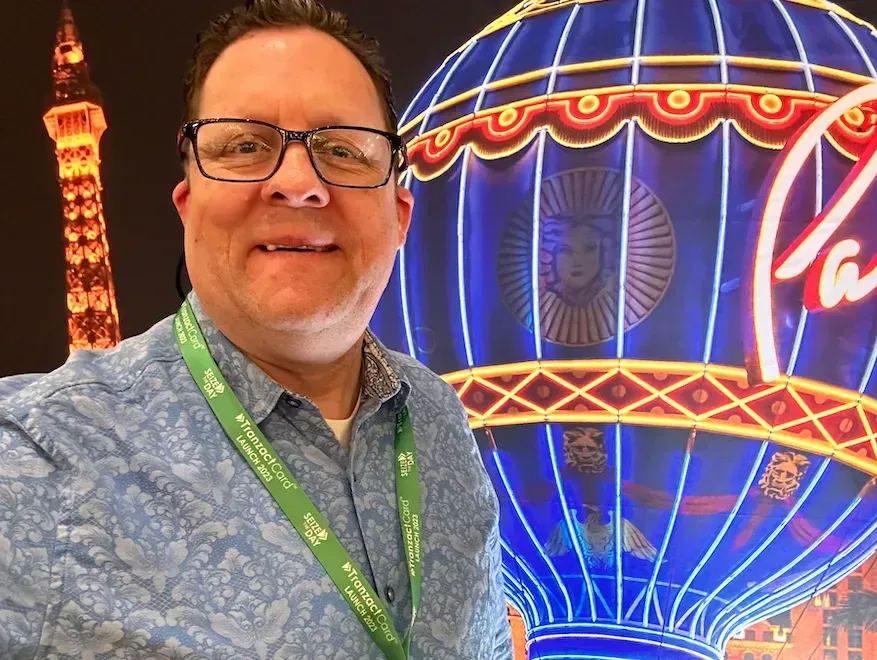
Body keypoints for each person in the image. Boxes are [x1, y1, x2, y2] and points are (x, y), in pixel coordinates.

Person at [0, 1, 513, 658]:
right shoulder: (41, 457)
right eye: (244, 145)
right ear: (187, 208)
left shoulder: (438, 419)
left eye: (341, 148)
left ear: (400, 215)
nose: (298, 183)